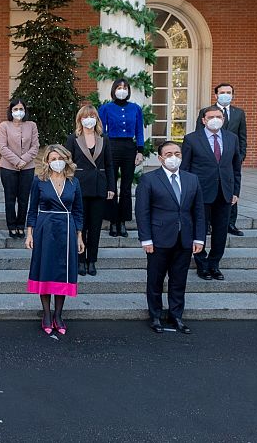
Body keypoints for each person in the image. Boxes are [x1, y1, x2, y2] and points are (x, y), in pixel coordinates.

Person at [135, 141, 206, 334]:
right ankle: (156, 316)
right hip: (158, 239)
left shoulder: (192, 179)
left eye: (177, 153)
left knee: (178, 280)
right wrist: (146, 239)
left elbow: (199, 211)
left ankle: (176, 316)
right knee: (155, 280)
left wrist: (199, 238)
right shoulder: (149, 180)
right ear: (160, 158)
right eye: (168, 154)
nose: (173, 157)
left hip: (184, 239)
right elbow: (142, 211)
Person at [25, 145, 84, 336]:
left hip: (66, 228)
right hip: (45, 228)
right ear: (47, 162)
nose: (56, 161)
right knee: (45, 269)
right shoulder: (39, 181)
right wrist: (29, 234)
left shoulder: (73, 182)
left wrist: (79, 236)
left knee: (62, 271)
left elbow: (78, 211)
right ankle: (47, 314)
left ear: (66, 159)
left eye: (59, 157)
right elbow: (32, 209)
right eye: (52, 158)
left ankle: (59, 315)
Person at [181, 106, 241, 281]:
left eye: (219, 116)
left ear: (223, 119)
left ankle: (214, 264)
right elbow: (185, 168)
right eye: (211, 116)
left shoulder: (232, 138)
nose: (215, 119)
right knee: (199, 229)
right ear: (204, 120)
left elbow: (236, 167)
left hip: (225, 192)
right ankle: (202, 264)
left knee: (221, 231)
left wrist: (235, 191)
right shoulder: (191, 139)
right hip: (200, 192)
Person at [64, 105, 115, 276]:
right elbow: (67, 164)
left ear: (97, 119)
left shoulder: (104, 139)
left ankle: (92, 260)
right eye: (86, 116)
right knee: (81, 226)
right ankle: (80, 260)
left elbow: (109, 165)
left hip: (99, 188)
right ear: (80, 119)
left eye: (92, 115)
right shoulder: (73, 138)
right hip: (79, 187)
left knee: (95, 227)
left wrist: (111, 187)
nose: (89, 119)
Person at [196, 83, 247, 236]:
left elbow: (242, 136)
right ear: (216, 95)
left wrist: (240, 155)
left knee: (231, 190)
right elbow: (199, 135)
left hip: (229, 159)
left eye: (229, 92)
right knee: (212, 191)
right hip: (211, 159)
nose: (226, 94)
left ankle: (230, 223)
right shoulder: (206, 112)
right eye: (222, 92)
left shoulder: (239, 113)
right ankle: (210, 224)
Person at [98, 78, 145, 237]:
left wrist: (140, 151)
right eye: (119, 87)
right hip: (111, 146)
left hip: (129, 148)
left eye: (125, 87)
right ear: (114, 89)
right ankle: (112, 221)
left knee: (125, 187)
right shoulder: (105, 108)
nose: (122, 90)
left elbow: (139, 131)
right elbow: (100, 131)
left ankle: (123, 221)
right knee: (111, 185)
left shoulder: (135, 108)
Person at [0, 98, 39, 238]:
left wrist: (24, 160)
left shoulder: (32, 125)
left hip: (27, 168)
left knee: (23, 198)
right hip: (8, 167)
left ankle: (21, 224)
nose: (18, 112)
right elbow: (2, 147)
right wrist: (17, 161)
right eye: (15, 109)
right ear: (11, 111)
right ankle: (11, 225)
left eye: (21, 109)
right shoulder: (4, 125)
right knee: (10, 198)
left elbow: (35, 146)